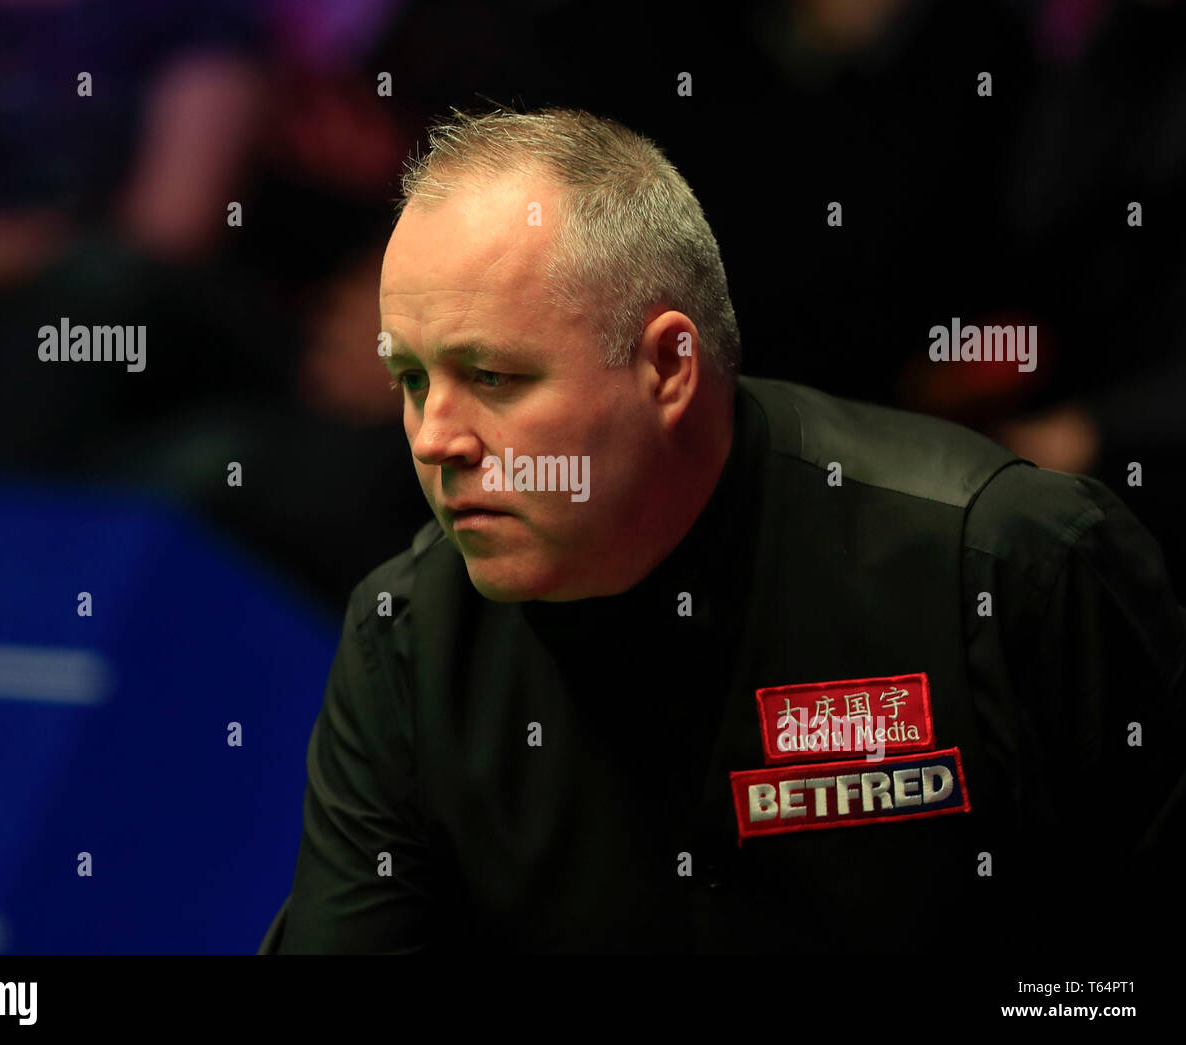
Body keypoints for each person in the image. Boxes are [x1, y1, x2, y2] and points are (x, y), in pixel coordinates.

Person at [260, 107, 1186, 955]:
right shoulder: (407, 640)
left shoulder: (1005, 563)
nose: (434, 438)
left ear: (669, 365)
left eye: (493, 376)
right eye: (413, 380)